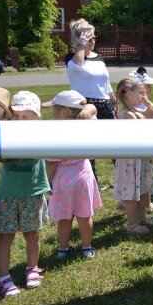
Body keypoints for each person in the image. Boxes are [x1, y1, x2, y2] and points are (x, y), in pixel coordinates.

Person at [0, 90, 50, 297]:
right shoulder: (3, 135)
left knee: (32, 234)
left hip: (32, 194)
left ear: (36, 119)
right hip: (8, 195)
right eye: (15, 116)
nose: (20, 120)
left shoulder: (42, 136)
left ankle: (32, 269)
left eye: (26, 116)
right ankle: (3, 278)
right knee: (5, 237)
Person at [43, 90, 101, 261]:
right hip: (83, 176)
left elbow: (51, 162)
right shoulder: (88, 125)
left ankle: (63, 249)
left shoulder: (56, 134)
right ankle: (87, 248)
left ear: (64, 112)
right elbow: (92, 109)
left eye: (54, 111)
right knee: (85, 215)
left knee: (64, 217)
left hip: (62, 179)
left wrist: (48, 183)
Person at [65, 18, 115, 187]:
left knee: (115, 143)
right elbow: (78, 66)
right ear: (78, 39)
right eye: (89, 38)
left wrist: (114, 101)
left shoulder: (99, 58)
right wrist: (81, 45)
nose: (93, 41)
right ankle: (92, 181)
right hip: (85, 106)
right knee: (88, 145)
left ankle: (123, 180)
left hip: (105, 104)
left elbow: (105, 83)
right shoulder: (72, 58)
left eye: (94, 38)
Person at [113, 77, 153, 235]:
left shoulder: (137, 111)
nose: (143, 95)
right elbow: (140, 133)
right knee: (131, 191)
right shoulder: (128, 115)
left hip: (141, 157)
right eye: (140, 93)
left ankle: (141, 218)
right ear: (130, 93)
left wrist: (147, 103)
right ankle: (132, 223)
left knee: (141, 189)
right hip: (131, 160)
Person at [128, 67, 153, 213]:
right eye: (146, 86)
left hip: (147, 144)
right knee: (141, 176)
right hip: (140, 146)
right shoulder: (136, 106)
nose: (150, 89)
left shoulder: (143, 103)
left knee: (147, 175)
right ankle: (142, 205)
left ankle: (146, 204)